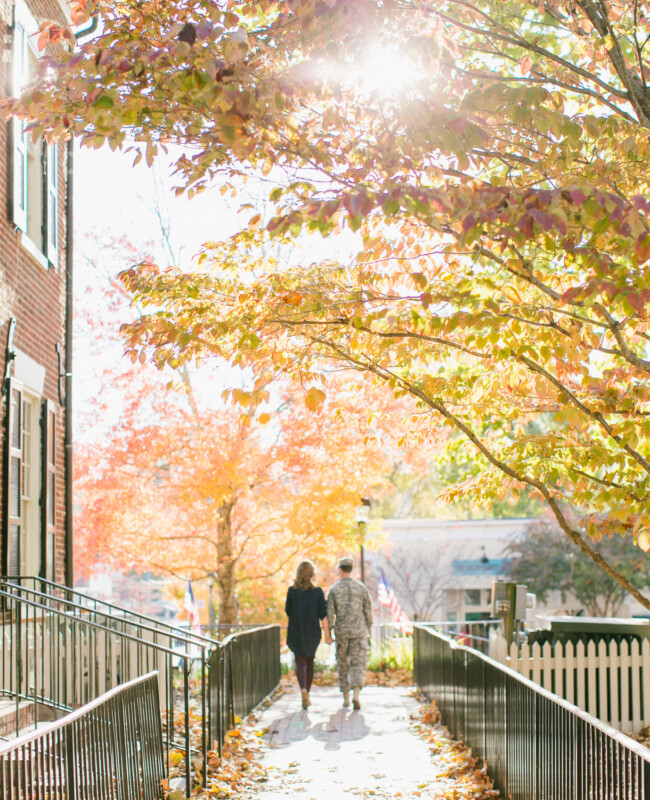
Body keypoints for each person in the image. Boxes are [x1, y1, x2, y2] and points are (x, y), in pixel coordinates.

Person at [327, 556, 372, 710]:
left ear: (340, 570)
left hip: (342, 632)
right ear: (351, 569)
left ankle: (346, 697)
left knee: (343, 663)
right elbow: (368, 612)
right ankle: (356, 694)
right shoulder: (361, 588)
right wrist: (367, 628)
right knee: (358, 663)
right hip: (359, 632)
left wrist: (330, 632)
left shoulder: (334, 590)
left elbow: (329, 613)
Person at [285, 560, 332, 709]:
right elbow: (323, 615)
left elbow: (288, 611)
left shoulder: (292, 591)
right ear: (312, 574)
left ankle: (303, 690)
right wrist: (328, 635)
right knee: (310, 661)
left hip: (296, 630)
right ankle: (308, 693)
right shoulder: (317, 592)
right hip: (312, 631)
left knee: (300, 662)